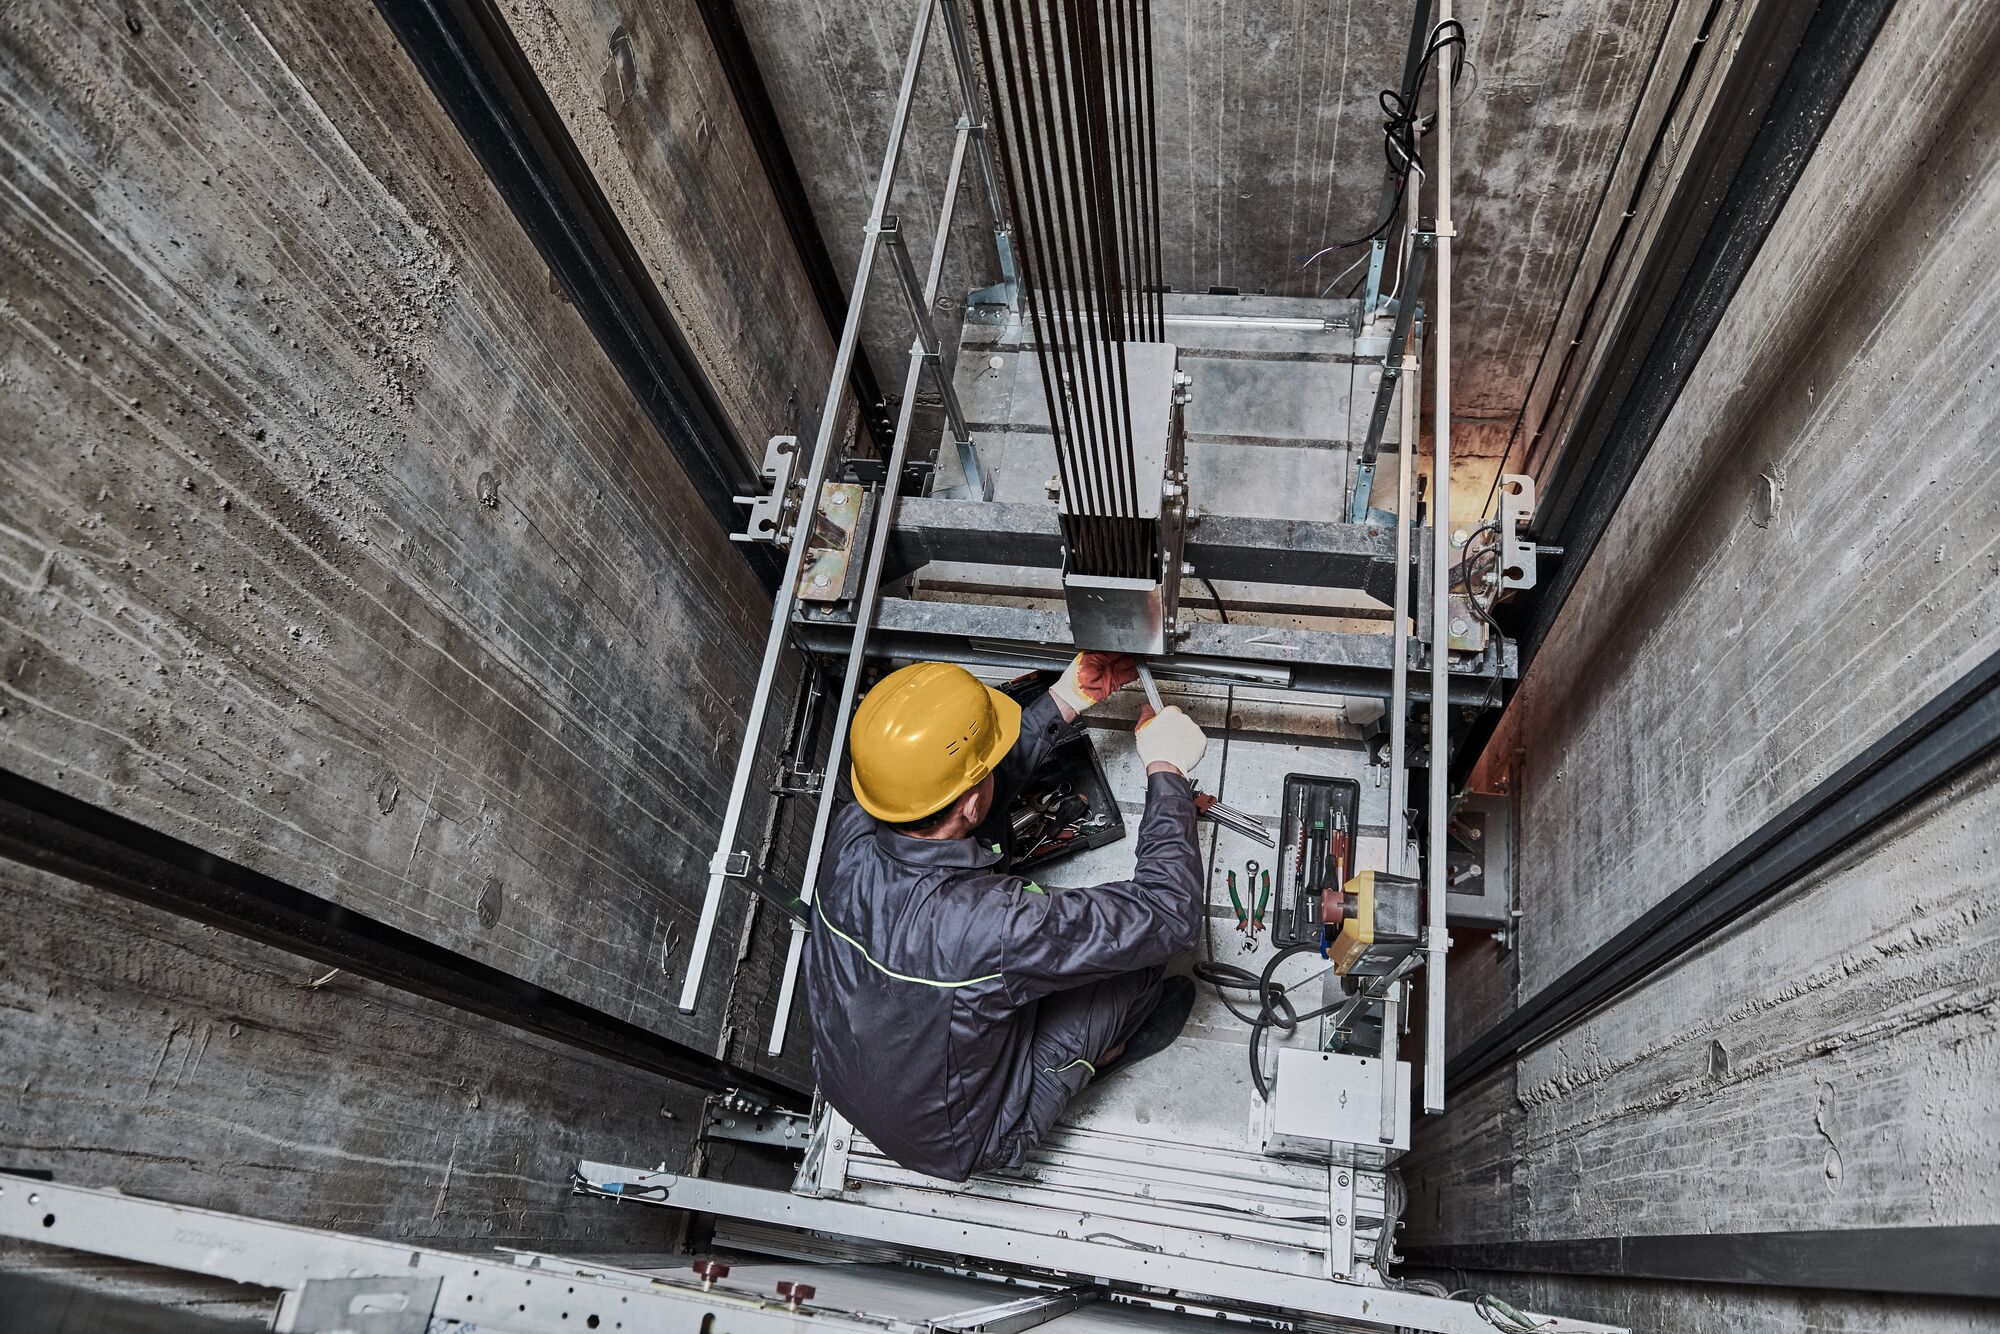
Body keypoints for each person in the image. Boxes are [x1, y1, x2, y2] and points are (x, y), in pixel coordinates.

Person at [804, 652, 1208, 1183]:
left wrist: (1065, 699)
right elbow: (1169, 914)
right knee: (1139, 959)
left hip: (849, 1079)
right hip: (966, 1139)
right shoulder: (988, 924)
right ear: (971, 802)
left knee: (1000, 879)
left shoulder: (857, 823)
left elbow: (959, 801)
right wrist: (1167, 771)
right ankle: (1109, 1050)